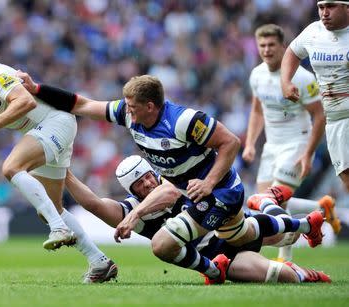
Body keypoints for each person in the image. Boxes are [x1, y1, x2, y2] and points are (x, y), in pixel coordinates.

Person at [18, 71, 325, 284]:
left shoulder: (183, 121)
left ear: (151, 106)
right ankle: (299, 225)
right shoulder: (129, 116)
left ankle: (215, 270)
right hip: (206, 211)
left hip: (217, 193)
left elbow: (230, 142)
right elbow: (82, 105)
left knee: (164, 244)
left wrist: (207, 183)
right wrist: (38, 89)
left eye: (134, 108)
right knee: (245, 234)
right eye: (137, 185)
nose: (128, 113)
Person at [0, 34, 117, 283]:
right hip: (42, 131)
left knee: (11, 167)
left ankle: (59, 228)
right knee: (52, 209)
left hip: (56, 120)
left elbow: (26, 101)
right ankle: (100, 262)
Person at [65, 155, 331, 284]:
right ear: (130, 190)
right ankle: (307, 273)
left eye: (147, 176)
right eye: (138, 184)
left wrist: (136, 214)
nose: (146, 183)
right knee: (279, 276)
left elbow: (167, 193)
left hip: (233, 228)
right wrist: (63, 172)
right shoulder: (128, 210)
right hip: (223, 257)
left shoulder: (169, 181)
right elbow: (93, 203)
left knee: (290, 234)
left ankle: (267, 203)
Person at [242, 23, 341, 261]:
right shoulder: (257, 74)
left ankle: (284, 260)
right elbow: (257, 111)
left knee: (277, 204)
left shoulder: (303, 78)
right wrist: (250, 143)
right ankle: (320, 207)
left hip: (296, 143)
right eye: (262, 45)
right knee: (263, 203)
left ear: (283, 47)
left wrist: (308, 154)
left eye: (271, 45)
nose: (266, 50)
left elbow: (319, 116)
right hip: (271, 146)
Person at [281, 0, 349, 192]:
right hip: (335, 120)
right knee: (347, 180)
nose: (324, 13)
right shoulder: (313, 32)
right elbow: (292, 52)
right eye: (321, 7)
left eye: (331, 7)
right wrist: (285, 81)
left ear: (346, 7)